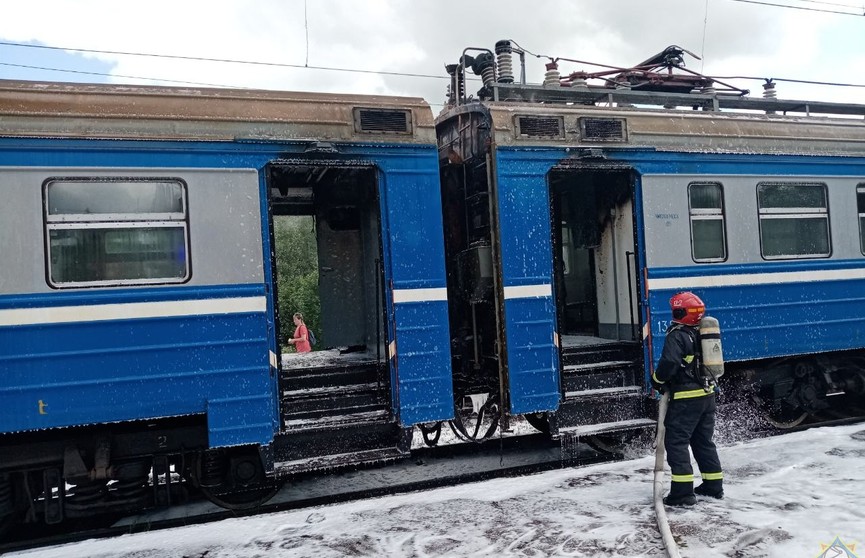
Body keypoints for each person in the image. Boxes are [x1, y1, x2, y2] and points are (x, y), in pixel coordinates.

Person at [652, 291, 724, 506]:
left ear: (680, 312)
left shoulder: (677, 334)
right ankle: (713, 486)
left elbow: (669, 363)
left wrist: (657, 380)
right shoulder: (701, 333)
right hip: (707, 395)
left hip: (686, 398)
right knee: (703, 441)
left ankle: (682, 494)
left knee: (676, 442)